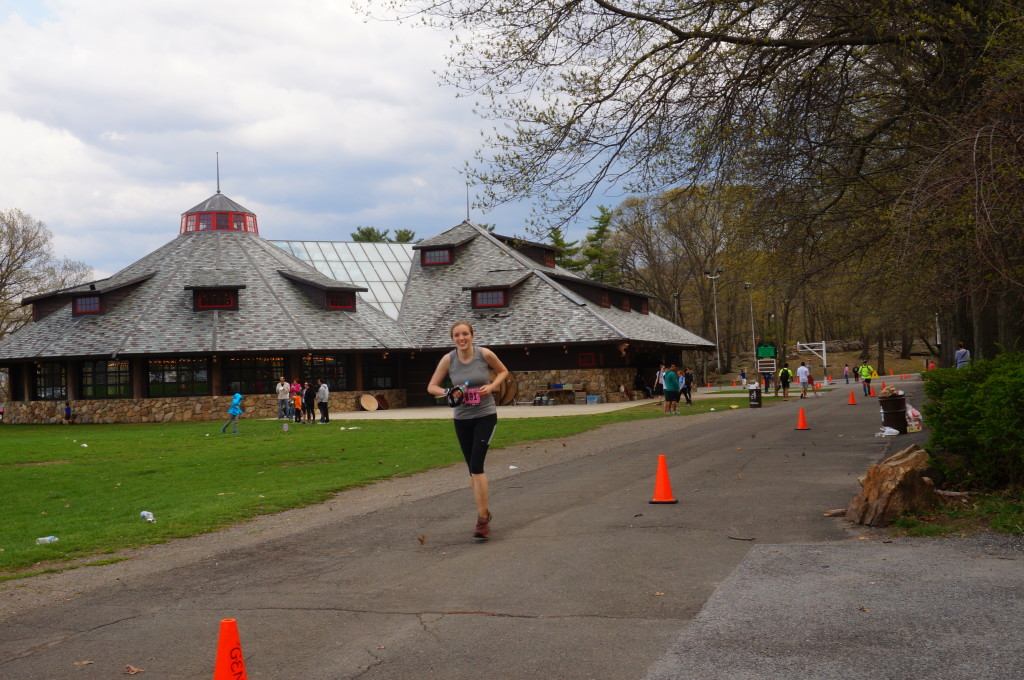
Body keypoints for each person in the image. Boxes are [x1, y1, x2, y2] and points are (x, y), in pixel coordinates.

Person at [427, 321, 510, 539]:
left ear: (472, 335)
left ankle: (482, 519)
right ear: (453, 338)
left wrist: (492, 387)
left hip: (485, 416)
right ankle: (484, 512)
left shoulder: (484, 354)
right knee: (472, 470)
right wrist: (449, 391)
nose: (461, 338)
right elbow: (431, 386)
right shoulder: (449, 359)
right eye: (457, 335)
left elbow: (503, 372)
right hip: (462, 418)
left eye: (465, 334)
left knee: (476, 466)